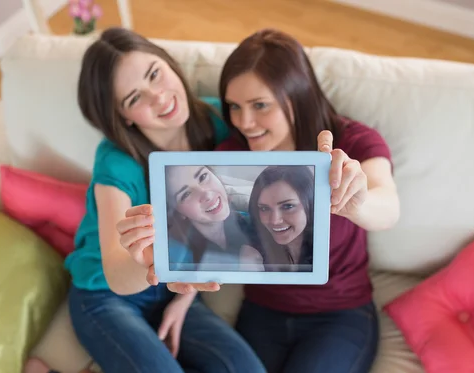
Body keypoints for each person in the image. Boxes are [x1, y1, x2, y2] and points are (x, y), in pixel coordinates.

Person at [117, 28, 400, 373]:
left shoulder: (353, 142)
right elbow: (211, 235)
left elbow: (388, 207)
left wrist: (357, 202)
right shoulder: (231, 155)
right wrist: (184, 298)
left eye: (260, 106)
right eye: (234, 107)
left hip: (339, 314)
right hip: (263, 311)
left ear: (296, 95)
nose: (244, 122)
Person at [55, 27, 265, 373]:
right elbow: (117, 272)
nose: (158, 97)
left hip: (172, 288)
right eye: (134, 98)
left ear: (169, 62)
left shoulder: (219, 121)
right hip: (104, 296)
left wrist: (185, 298)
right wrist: (149, 263)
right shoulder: (116, 163)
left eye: (155, 74)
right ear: (123, 117)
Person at [165, 165, 263, 270]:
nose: (207, 195)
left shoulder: (256, 224)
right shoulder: (174, 258)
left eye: (203, 177)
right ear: (177, 212)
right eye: (186, 194)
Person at [247, 166, 314, 271]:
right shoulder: (253, 253)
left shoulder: (331, 249)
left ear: (310, 204)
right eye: (264, 208)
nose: (274, 220)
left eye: (287, 206)